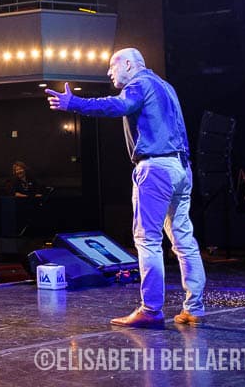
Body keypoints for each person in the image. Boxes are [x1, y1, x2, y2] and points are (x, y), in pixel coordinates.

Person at [47, 47, 205, 328]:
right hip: (181, 168)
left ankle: (151, 310)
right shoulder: (165, 86)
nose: (109, 72)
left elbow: (117, 106)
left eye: (112, 66)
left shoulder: (139, 84)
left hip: (156, 168)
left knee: (148, 240)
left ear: (129, 64)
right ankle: (195, 307)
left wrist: (75, 104)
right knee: (183, 240)